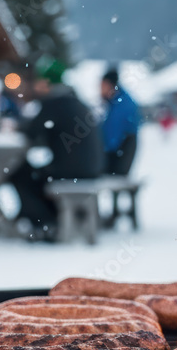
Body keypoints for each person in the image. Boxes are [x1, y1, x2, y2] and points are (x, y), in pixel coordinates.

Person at [11, 58, 104, 240]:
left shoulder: (53, 102)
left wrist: (12, 127)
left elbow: (32, 132)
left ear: (46, 82)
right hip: (90, 168)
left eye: (38, 80)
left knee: (20, 173)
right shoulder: (73, 100)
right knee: (35, 174)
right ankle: (49, 218)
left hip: (71, 171)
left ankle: (45, 223)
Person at [100, 69, 140, 175]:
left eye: (102, 86)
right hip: (119, 152)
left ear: (110, 85)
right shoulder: (116, 102)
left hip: (119, 155)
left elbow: (112, 136)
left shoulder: (121, 106)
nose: (99, 90)